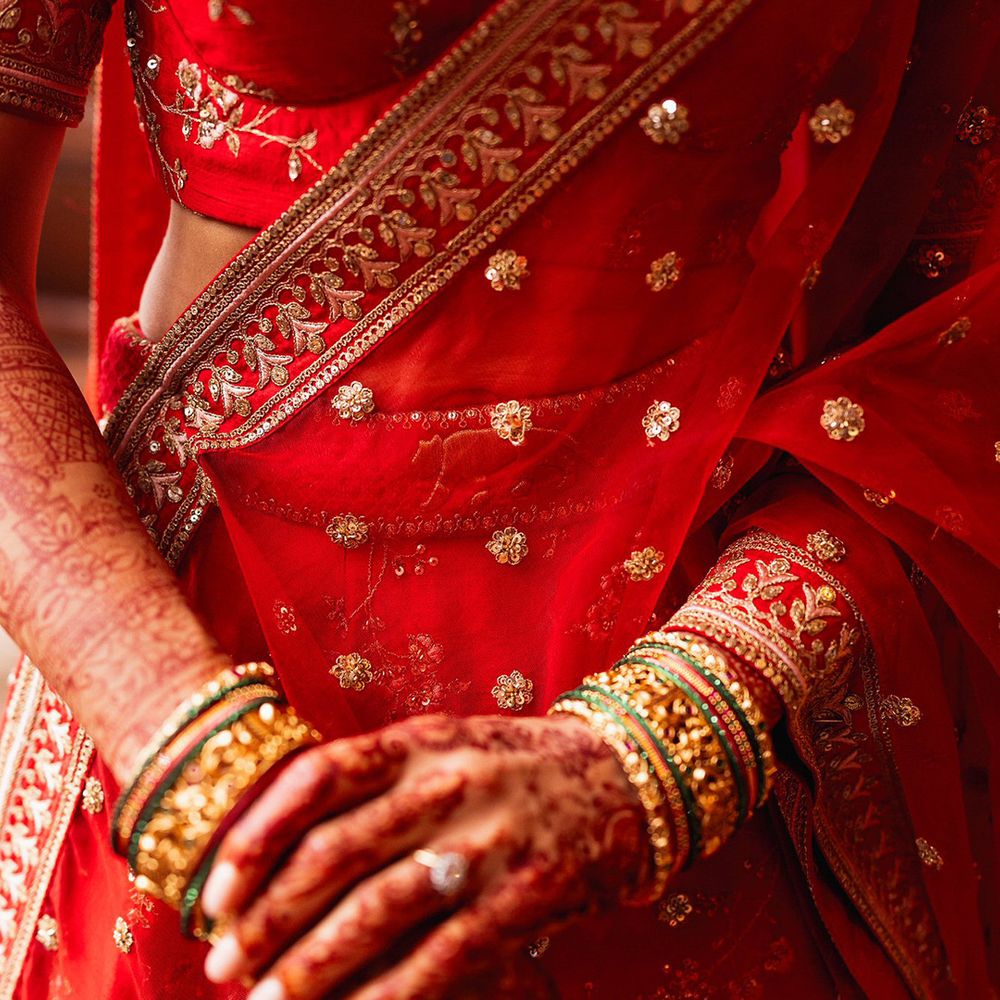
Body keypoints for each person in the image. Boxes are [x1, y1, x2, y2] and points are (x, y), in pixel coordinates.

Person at [0, 0, 996, 997]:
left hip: (695, 668)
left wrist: (647, 755)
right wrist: (208, 777)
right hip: (183, 662)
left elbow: (957, 314)